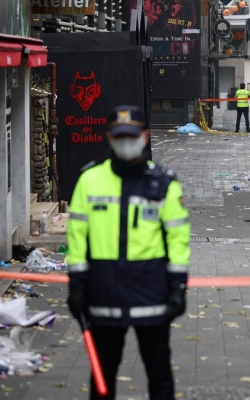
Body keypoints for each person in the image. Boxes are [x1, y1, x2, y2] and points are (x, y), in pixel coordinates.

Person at [67, 105, 191, 400]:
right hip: (103, 296)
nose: (126, 142)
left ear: (145, 137)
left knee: (160, 377)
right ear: (109, 138)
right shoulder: (89, 182)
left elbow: (178, 240)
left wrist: (179, 287)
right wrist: (76, 287)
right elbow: (77, 239)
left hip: (152, 297)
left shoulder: (163, 185)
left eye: (131, 136)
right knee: (102, 381)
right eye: (119, 136)